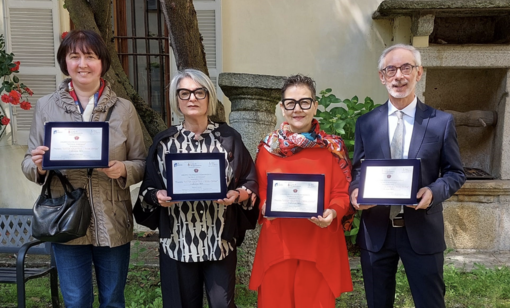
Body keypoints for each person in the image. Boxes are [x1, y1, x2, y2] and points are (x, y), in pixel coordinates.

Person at [21, 30, 146, 308]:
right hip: (64, 218)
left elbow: (142, 162)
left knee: (113, 300)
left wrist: (123, 169)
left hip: (112, 216)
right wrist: (39, 165)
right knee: (76, 301)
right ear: (65, 62)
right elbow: (29, 162)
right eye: (74, 56)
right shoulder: (45, 107)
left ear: (102, 62)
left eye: (90, 56)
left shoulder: (123, 109)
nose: (82, 64)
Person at [349, 44, 466, 308]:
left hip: (422, 229)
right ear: (382, 76)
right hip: (377, 231)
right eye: (391, 69)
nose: (398, 76)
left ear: (419, 73)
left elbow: (455, 173)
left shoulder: (440, 122)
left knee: (430, 303)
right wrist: (356, 192)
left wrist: (434, 191)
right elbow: (358, 170)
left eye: (406, 68)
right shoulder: (366, 123)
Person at [134, 68, 259, 308]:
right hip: (177, 240)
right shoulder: (164, 143)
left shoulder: (229, 139)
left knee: (222, 305)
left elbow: (250, 182)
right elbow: (148, 189)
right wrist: (158, 195)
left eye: (199, 92)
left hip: (219, 240)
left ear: (209, 97)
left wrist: (237, 195)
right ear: (176, 100)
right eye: (184, 93)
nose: (192, 98)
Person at [249, 74, 353, 307]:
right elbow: (260, 191)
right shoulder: (268, 148)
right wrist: (265, 206)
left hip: (319, 241)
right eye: (291, 103)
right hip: (279, 243)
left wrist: (334, 212)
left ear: (315, 106)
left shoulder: (332, 148)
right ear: (282, 108)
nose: (298, 109)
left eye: (305, 102)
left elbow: (341, 193)